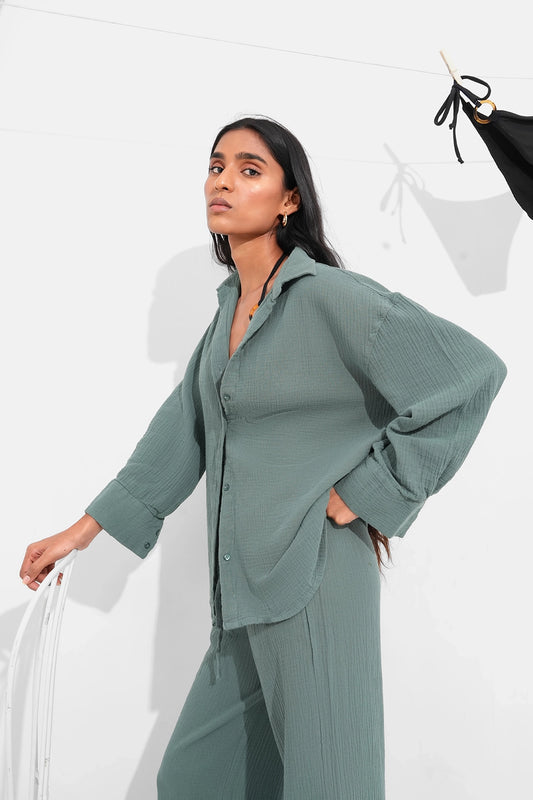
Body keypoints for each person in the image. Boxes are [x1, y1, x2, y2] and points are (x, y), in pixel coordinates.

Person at [20, 116, 507, 799]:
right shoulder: (229, 311)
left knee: (329, 785)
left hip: (314, 577)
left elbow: (469, 375)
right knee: (191, 780)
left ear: (289, 200)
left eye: (249, 170)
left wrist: (373, 489)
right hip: (242, 587)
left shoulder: (330, 297)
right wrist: (83, 531)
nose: (223, 180)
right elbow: (183, 431)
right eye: (216, 165)